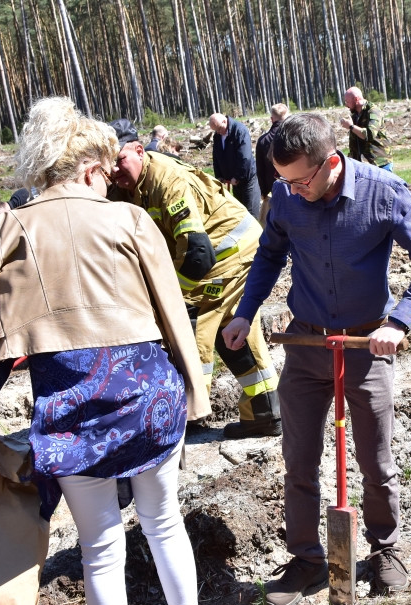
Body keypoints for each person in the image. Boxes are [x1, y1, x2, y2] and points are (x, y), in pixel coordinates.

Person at [0, 97, 210, 605]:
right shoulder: (128, 220)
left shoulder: (11, 226)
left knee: (100, 547)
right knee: (165, 524)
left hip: (72, 404)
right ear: (90, 167)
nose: (111, 181)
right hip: (148, 396)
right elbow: (172, 313)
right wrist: (193, 388)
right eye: (106, 172)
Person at [221, 114, 411, 605]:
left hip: (366, 345)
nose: (293, 191)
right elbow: (269, 255)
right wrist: (245, 313)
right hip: (305, 346)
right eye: (284, 181)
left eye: (302, 180)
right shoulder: (285, 194)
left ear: (331, 162)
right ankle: (306, 560)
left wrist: (400, 321)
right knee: (298, 460)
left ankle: (384, 550)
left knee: (376, 460)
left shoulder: (383, 192)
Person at [108, 118, 282, 439]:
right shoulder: (124, 186)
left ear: (138, 149)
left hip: (228, 251)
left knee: (188, 327)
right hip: (226, 253)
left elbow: (197, 255)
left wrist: (170, 300)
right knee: (232, 331)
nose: (115, 171)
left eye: (119, 160)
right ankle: (265, 411)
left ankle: (185, 415)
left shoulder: (167, 179)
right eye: (108, 166)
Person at [208, 113, 260, 217]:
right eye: (216, 130)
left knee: (251, 214)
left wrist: (238, 177)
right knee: (240, 213)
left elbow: (245, 157)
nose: (218, 132)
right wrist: (219, 175)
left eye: (219, 128)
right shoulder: (218, 135)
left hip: (247, 180)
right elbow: (217, 156)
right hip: (234, 181)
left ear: (224, 121)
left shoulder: (239, 131)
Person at [340, 87, 392, 171]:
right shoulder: (355, 116)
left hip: (379, 163)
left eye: (348, 102)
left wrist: (351, 126)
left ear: (356, 99)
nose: (346, 105)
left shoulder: (373, 111)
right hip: (362, 165)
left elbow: (370, 134)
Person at [255, 103, 290, 225]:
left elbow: (260, 170)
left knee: (273, 224)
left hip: (272, 189)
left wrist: (263, 192)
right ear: (288, 117)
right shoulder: (294, 136)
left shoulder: (262, 140)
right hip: (294, 187)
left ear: (271, 119)